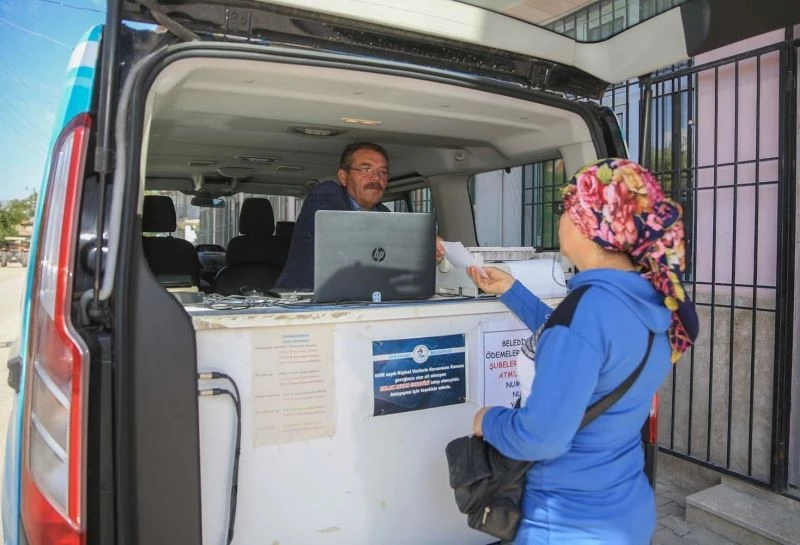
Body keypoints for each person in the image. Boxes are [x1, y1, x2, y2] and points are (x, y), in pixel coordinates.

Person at [466, 158, 698, 545]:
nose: (561, 220)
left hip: (568, 524)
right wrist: (511, 290)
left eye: (566, 209)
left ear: (589, 223)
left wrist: (487, 420)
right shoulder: (651, 303)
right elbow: (574, 335)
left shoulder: (586, 312)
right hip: (626, 511)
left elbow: (541, 438)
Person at [275, 142, 444, 289]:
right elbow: (336, 231)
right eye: (366, 169)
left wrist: (426, 251)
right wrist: (418, 237)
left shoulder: (384, 213)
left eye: (383, 172)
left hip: (357, 303)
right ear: (343, 177)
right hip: (299, 305)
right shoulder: (327, 194)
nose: (376, 178)